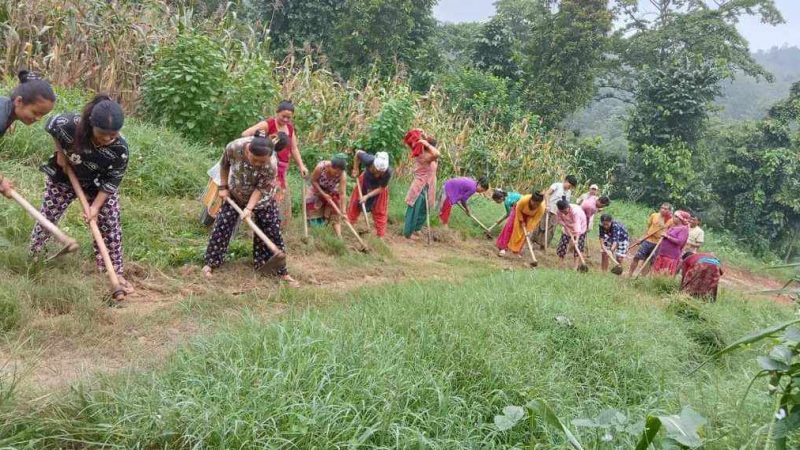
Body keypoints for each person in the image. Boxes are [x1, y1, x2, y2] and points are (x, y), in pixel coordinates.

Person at [30, 95, 134, 293]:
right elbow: (51, 125)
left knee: (110, 225)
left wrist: (95, 207)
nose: (108, 139)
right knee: (47, 216)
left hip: (98, 186)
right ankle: (34, 257)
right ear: (90, 125)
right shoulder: (69, 124)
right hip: (65, 176)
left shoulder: (120, 148)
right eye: (103, 134)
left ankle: (114, 272)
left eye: (113, 135)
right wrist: (60, 152)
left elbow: (112, 181)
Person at [202, 134, 298, 286]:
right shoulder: (234, 147)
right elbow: (224, 165)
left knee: (272, 230)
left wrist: (248, 208)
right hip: (235, 193)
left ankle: (278, 271)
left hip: (262, 199)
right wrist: (223, 187)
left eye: (262, 161)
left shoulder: (271, 164)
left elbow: (260, 189)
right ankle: (210, 263)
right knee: (223, 225)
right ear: (247, 151)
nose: (259, 164)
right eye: (255, 160)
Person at [241, 100, 308, 220]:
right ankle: (249, 214)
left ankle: (269, 220)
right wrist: (263, 144)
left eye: (289, 117)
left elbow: (294, 148)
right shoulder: (268, 124)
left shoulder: (290, 129)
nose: (286, 120)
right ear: (277, 112)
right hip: (264, 165)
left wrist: (301, 165)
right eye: (283, 116)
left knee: (276, 194)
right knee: (260, 190)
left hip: (281, 169)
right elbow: (245, 134)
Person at [0, 70, 56, 198]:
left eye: (42, 115)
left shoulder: (5, 107)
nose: (38, 118)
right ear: (19, 101)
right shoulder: (1, 115)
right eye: (35, 112)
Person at [403, 130, 439, 239]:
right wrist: (426, 143)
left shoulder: (428, 153)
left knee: (424, 209)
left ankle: (417, 229)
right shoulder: (424, 156)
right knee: (414, 209)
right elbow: (437, 153)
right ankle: (408, 233)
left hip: (429, 186)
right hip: (420, 186)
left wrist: (423, 136)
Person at [348, 150, 392, 238]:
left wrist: (367, 196)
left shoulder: (388, 172)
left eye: (381, 172)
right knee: (356, 203)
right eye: (377, 171)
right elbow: (358, 153)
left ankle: (380, 236)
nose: (379, 174)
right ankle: (349, 225)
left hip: (379, 188)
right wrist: (355, 168)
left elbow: (381, 188)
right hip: (365, 181)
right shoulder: (369, 160)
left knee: (380, 210)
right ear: (374, 165)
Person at [306, 153, 348, 237]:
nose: (337, 174)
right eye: (336, 171)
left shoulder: (342, 175)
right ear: (331, 166)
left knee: (336, 209)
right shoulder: (321, 167)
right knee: (310, 204)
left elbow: (342, 194)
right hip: (317, 189)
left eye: (340, 172)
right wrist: (323, 194)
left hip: (331, 191)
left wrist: (343, 212)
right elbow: (313, 181)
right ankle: (317, 228)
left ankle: (339, 237)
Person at [627, 202, 674, 277]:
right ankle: (630, 274)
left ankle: (642, 277)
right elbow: (648, 227)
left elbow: (670, 232)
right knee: (637, 257)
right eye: (661, 208)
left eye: (665, 209)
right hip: (648, 240)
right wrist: (642, 238)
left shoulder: (671, 221)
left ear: (669, 211)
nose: (662, 210)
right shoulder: (654, 215)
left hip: (658, 243)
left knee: (649, 261)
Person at [496, 191, 546, 257]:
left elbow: (535, 220)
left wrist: (529, 229)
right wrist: (521, 220)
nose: (535, 206)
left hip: (530, 217)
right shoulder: (524, 200)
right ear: (531, 199)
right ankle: (503, 247)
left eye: (537, 204)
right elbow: (518, 209)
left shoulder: (542, 207)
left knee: (525, 233)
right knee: (510, 227)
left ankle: (516, 250)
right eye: (534, 203)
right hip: (518, 211)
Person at [534, 175, 577, 248]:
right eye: (570, 185)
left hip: (557, 213)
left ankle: (543, 245)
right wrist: (547, 205)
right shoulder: (556, 185)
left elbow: (566, 204)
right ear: (566, 181)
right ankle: (533, 241)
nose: (570, 188)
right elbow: (547, 194)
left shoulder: (568, 192)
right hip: (548, 209)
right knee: (541, 226)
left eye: (571, 187)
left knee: (551, 230)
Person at [651, 210, 690, 276]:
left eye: (675, 216)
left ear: (680, 219)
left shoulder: (684, 229)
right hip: (663, 253)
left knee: (665, 274)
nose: (673, 217)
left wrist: (668, 237)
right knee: (656, 273)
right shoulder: (673, 227)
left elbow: (680, 242)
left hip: (670, 256)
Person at [555, 199, 588, 268]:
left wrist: (576, 240)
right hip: (567, 227)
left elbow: (577, 226)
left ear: (568, 207)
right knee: (562, 246)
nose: (564, 213)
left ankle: (575, 267)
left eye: (565, 211)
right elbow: (559, 219)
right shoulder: (559, 211)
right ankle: (559, 265)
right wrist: (564, 225)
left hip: (580, 228)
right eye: (562, 212)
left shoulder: (576, 212)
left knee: (577, 247)